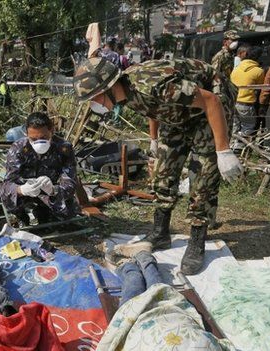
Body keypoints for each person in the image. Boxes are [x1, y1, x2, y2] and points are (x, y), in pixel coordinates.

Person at [73, 56, 242, 275]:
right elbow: (152, 109)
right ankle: (160, 232)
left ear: (110, 87)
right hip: (179, 112)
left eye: (95, 98)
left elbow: (211, 101)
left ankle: (197, 238)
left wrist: (223, 150)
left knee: (202, 174)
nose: (94, 104)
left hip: (211, 104)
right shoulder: (127, 94)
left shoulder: (154, 85)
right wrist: (154, 140)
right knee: (163, 171)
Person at [97, 251, 235, 351]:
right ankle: (146, 262)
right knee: (157, 287)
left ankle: (131, 266)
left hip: (140, 323)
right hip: (171, 316)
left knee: (135, 282)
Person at [0, 112, 80, 226]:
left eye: (43, 137)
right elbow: (8, 182)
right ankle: (22, 218)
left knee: (70, 211)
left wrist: (53, 190)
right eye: (33, 139)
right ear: (26, 134)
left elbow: (70, 182)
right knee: (6, 195)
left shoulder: (64, 148)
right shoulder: (18, 148)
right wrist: (21, 190)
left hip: (50, 194)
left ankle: (44, 213)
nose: (39, 142)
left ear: (52, 131)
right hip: (26, 193)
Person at [230, 46, 265, 150]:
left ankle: (231, 145)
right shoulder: (258, 71)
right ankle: (239, 148)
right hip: (246, 103)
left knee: (235, 125)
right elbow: (260, 87)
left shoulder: (236, 69)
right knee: (248, 126)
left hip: (233, 101)